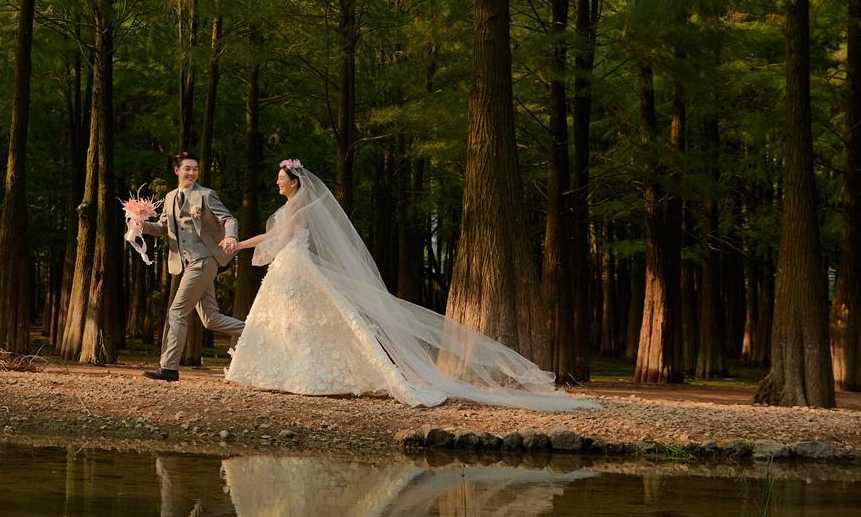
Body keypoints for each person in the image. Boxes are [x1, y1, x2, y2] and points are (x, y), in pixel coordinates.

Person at [227, 159, 596, 410]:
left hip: (295, 266)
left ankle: (302, 372)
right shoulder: (295, 205)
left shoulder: (296, 208)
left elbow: (278, 238)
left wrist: (239, 245)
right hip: (291, 268)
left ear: (295, 181)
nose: (277, 180)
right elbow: (274, 237)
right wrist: (241, 245)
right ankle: (281, 370)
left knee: (308, 320)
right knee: (295, 321)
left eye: (281, 176)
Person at [134, 151, 245, 383]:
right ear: (177, 170)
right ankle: (254, 331)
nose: (192, 173)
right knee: (211, 319)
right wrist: (141, 225)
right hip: (186, 263)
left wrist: (231, 237)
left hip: (203, 261)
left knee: (177, 312)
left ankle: (169, 367)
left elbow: (229, 219)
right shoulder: (169, 197)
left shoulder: (206, 195)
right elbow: (163, 228)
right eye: (187, 168)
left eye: (195, 169)